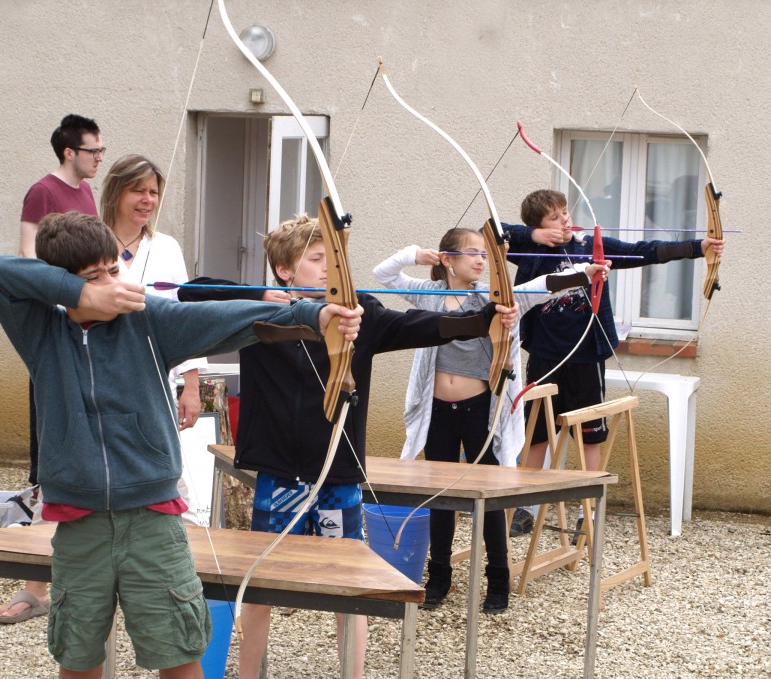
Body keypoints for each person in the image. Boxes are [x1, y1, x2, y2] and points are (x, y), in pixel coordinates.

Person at [0, 211, 362, 679]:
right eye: (93, 278)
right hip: (79, 527)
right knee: (78, 657)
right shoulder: (40, 331)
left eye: (114, 270)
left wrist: (312, 313)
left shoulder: (147, 319)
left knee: (178, 653)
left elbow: (231, 317)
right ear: (63, 285)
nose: (111, 285)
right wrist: (81, 293)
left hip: (152, 523)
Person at [178, 215, 518, 678]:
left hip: (338, 475)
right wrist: (257, 297)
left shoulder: (361, 313)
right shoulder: (255, 312)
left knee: (350, 590)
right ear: (283, 270)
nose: (328, 271)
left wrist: (485, 319)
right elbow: (191, 290)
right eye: (316, 260)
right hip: (279, 475)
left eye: (332, 262)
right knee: (258, 589)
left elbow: (423, 324)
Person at [373, 226, 608, 612]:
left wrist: (586, 271)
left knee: (491, 500)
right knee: (440, 498)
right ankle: (440, 577)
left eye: (486, 255)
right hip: (438, 411)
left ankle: (498, 578)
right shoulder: (431, 294)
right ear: (448, 259)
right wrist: (416, 254)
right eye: (473, 253)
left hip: (480, 411)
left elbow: (541, 285)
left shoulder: (495, 297)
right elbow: (383, 274)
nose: (482, 260)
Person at [502, 189, 724, 539]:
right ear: (539, 226)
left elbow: (644, 252)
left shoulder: (591, 246)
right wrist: (533, 236)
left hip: (586, 355)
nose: (564, 220)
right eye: (554, 217)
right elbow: (490, 230)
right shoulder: (529, 251)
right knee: (536, 435)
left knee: (590, 434)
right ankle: (526, 509)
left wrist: (698, 248)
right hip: (544, 356)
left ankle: (587, 511)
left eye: (564, 213)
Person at [0, 113, 104, 625]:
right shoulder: (42, 192)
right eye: (92, 151)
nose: (98, 159)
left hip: (90, 331)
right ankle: (34, 584)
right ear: (69, 152)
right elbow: (26, 259)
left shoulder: (87, 197)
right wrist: (71, 301)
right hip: (57, 336)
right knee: (51, 465)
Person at [99, 154, 207, 524]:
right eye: (138, 191)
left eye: (153, 192)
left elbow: (183, 317)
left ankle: (180, 566)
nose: (148, 200)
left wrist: (191, 388)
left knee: (172, 482)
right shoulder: (89, 240)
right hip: (101, 380)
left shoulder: (167, 248)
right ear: (116, 192)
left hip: (158, 383)